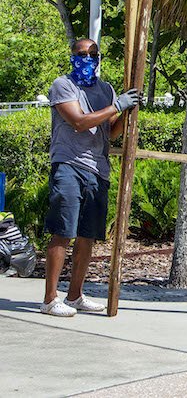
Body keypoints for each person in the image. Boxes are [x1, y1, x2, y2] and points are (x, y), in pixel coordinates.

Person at [40, 39, 140, 317]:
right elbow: (79, 122)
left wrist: (127, 113)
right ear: (72, 56)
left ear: (99, 58)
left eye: (92, 54)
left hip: (98, 170)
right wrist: (117, 105)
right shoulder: (63, 85)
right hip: (69, 165)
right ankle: (50, 299)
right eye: (81, 54)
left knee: (87, 236)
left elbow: (110, 131)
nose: (87, 58)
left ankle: (74, 296)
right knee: (63, 231)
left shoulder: (105, 90)